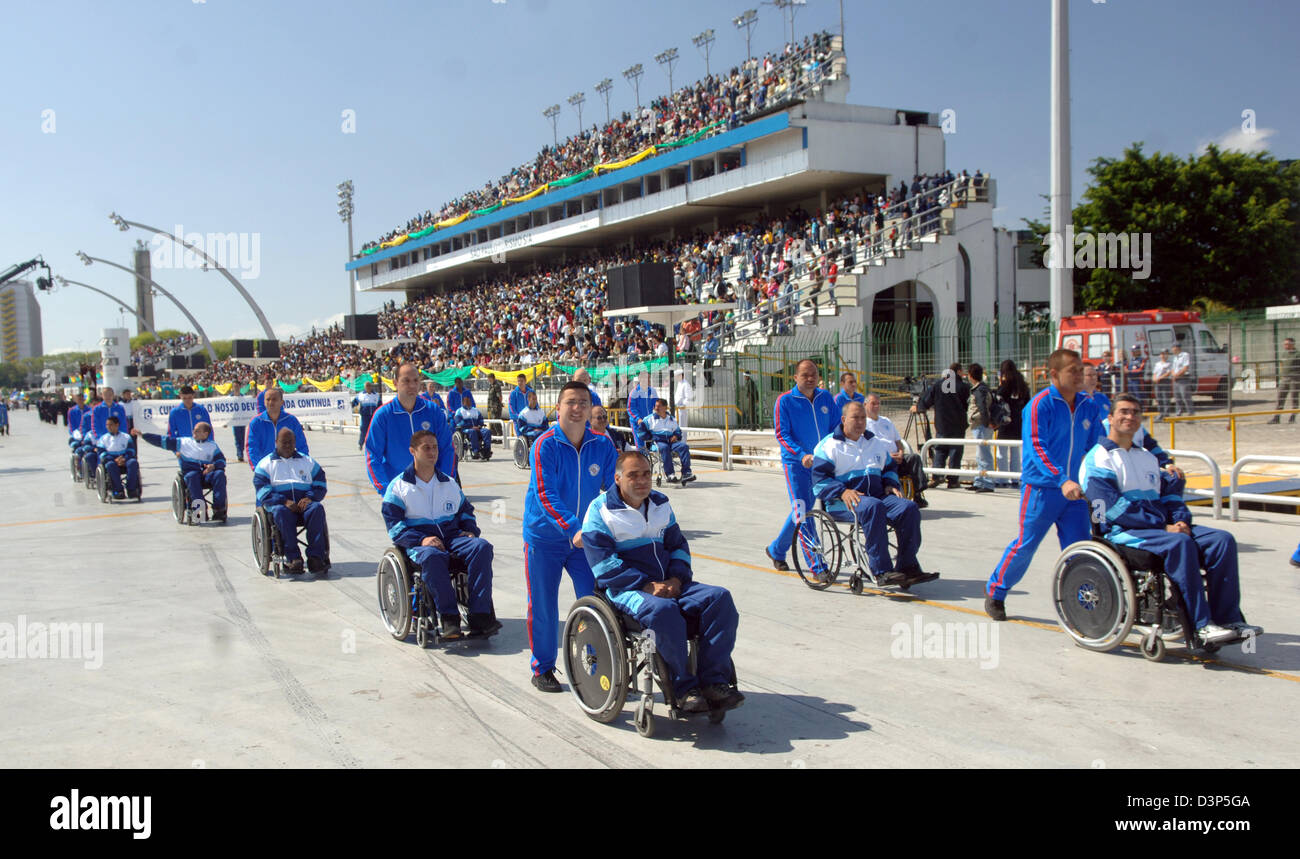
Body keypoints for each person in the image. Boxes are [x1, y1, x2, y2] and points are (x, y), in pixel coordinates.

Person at [1082, 393, 1262, 646]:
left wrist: (1180, 521)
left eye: (1135, 412)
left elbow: (1170, 497)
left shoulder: (1147, 457)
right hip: (1123, 532)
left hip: (1161, 528)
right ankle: (1201, 626)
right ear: (1110, 418)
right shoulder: (1098, 458)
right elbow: (1110, 509)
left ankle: (1229, 619)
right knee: (1179, 544)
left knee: (1222, 540)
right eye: (1123, 411)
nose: (1130, 416)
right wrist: (1163, 527)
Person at [581, 449, 743, 713]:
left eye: (646, 474)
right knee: (663, 610)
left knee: (719, 598)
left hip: (669, 582)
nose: (642, 480)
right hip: (625, 589)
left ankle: (714, 683)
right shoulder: (600, 510)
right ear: (618, 478)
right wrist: (647, 585)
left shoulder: (660, 503)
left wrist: (677, 579)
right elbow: (603, 564)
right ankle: (684, 688)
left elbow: (678, 545)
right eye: (634, 475)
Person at [985, 349, 1105, 620]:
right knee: (1026, 545)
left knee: (1080, 549)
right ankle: (996, 591)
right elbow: (1038, 448)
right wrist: (1061, 479)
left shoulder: (1089, 406)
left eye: (1080, 370)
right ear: (1054, 374)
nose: (1078, 376)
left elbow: (1097, 445)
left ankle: (1085, 605)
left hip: (1075, 493)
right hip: (1042, 490)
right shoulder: (1040, 405)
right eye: (1072, 370)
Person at [521, 381, 618, 692]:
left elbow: (614, 491)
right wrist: (574, 527)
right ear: (559, 408)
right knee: (543, 605)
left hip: (583, 542)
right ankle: (543, 667)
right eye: (571, 403)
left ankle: (596, 662)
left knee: (594, 601)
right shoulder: (545, 444)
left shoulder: (602, 445)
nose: (577, 409)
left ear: (590, 409)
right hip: (545, 539)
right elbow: (545, 493)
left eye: (583, 403)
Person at [382, 430, 500, 639]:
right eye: (426, 447)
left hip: (452, 537)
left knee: (482, 547)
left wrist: (470, 531)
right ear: (413, 451)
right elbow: (394, 527)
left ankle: (480, 615)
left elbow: (465, 512)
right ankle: (449, 618)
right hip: (419, 542)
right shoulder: (399, 487)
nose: (432, 452)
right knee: (433, 556)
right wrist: (422, 539)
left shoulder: (449, 483)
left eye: (435, 447)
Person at [811, 401, 934, 586]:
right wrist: (842, 491)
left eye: (863, 418)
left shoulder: (874, 442)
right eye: (855, 418)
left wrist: (891, 483)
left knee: (909, 508)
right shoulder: (828, 446)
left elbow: (890, 466)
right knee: (873, 507)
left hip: (877, 497)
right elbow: (819, 483)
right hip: (843, 502)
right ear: (844, 419)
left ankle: (907, 566)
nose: (860, 422)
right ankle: (881, 570)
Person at [765, 359, 841, 572]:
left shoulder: (825, 397)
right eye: (805, 375)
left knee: (800, 512)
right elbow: (783, 434)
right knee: (803, 511)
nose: (810, 379)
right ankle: (817, 565)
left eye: (814, 375)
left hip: (822, 465)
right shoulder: (785, 401)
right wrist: (801, 455)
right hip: (797, 466)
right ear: (795, 377)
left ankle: (776, 549)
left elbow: (836, 427)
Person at [365, 362, 456, 493]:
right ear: (395, 383)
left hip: (433, 491)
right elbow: (372, 455)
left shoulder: (433, 411)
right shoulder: (383, 416)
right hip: (399, 494)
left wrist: (444, 483)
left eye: (415, 380)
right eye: (406, 381)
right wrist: (386, 490)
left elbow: (447, 449)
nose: (412, 385)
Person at [253, 427, 329, 574]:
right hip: (281, 507)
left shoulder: (307, 461)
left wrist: (310, 497)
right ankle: (293, 558)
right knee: (281, 512)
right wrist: (283, 501)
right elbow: (262, 492)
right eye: (284, 442)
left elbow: (321, 483)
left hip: (303, 506)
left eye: (291, 442)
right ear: (276, 442)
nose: (287, 446)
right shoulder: (265, 465)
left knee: (317, 508)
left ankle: (316, 557)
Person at [134, 420, 227, 521]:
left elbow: (222, 460)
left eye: (197, 431)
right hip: (192, 472)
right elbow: (163, 441)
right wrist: (143, 435)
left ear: (205, 433)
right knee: (192, 476)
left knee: (220, 474)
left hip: (207, 474)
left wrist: (213, 466)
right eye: (194, 430)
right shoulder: (184, 442)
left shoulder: (212, 446)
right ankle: (200, 508)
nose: (193, 432)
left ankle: (219, 509)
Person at [863, 392, 928, 508]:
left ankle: (917, 494)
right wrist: (888, 457)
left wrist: (901, 453)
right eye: (873, 404)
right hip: (881, 460)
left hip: (897, 456)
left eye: (878, 404)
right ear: (865, 405)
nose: (876, 406)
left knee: (915, 458)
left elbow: (898, 441)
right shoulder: (864, 424)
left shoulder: (886, 421)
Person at [915, 363, 969, 488]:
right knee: (955, 452)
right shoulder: (963, 386)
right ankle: (953, 480)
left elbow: (926, 401)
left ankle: (936, 476)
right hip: (958, 425)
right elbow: (967, 405)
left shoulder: (938, 385)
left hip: (941, 424)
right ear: (959, 371)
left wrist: (918, 406)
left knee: (940, 450)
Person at [246, 386, 308, 473]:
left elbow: (302, 445)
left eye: (274, 399)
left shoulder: (291, 420)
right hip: (266, 470)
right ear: (264, 402)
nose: (271, 402)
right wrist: (257, 469)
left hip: (289, 469)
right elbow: (252, 448)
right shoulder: (256, 422)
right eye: (268, 399)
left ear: (282, 402)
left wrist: (302, 465)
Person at [640, 398, 695, 484]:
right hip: (657, 442)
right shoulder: (648, 419)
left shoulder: (671, 419)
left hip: (671, 442)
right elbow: (641, 433)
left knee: (684, 446)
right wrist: (652, 437)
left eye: (659, 406)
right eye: (655, 406)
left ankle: (686, 473)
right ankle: (670, 474)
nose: (656, 408)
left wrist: (676, 436)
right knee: (664, 448)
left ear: (665, 407)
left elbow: (678, 431)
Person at [995, 359, 1030, 488]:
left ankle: (1002, 479)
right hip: (1019, 420)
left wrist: (1000, 383)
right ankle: (1016, 478)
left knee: (1002, 451)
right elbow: (1027, 402)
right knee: (1015, 450)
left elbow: (998, 398)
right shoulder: (1022, 385)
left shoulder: (1005, 385)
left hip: (1006, 421)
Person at [966, 363, 997, 493]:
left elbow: (983, 409)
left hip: (981, 425)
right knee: (980, 454)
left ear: (971, 375)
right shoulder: (982, 388)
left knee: (984, 454)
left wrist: (985, 422)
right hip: (980, 425)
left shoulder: (979, 390)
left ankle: (988, 483)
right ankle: (979, 481)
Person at [94, 416, 139, 499]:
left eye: (110, 425)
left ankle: (131, 489)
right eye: (107, 425)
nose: (108, 427)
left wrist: (124, 458)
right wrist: (114, 460)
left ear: (117, 425)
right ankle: (118, 490)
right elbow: (101, 453)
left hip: (124, 459)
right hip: (111, 459)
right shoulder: (103, 439)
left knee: (133, 462)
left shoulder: (126, 437)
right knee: (110, 465)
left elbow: (131, 450)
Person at [1268, 337, 1298, 424]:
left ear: (1292, 344)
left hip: (1294, 380)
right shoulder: (1284, 354)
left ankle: (1293, 417)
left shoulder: (1297, 354)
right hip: (1284, 379)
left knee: (1294, 399)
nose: (1285, 346)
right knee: (1280, 398)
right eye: (1284, 344)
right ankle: (1276, 417)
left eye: (1287, 344)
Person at [625, 372, 658, 448]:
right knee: (640, 446)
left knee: (654, 445)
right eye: (645, 378)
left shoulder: (652, 391)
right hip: (638, 423)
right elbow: (630, 408)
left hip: (649, 422)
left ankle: (649, 458)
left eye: (648, 378)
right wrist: (638, 419)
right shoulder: (634, 392)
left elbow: (656, 405)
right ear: (640, 379)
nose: (647, 380)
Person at [353, 382, 381, 451]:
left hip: (373, 416)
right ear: (365, 387)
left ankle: (373, 445)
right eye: (367, 386)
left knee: (374, 430)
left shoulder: (376, 395)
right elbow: (354, 402)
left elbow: (380, 405)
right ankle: (360, 443)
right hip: (365, 416)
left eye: (369, 386)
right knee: (363, 430)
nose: (368, 388)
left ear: (371, 387)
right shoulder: (361, 395)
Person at [1169, 341, 1194, 417]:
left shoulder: (1185, 355)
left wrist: (1177, 375)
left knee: (1185, 396)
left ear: (1177, 347)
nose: (1172, 349)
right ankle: (1178, 413)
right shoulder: (1175, 357)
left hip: (1183, 378)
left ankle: (1191, 413)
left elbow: (1185, 367)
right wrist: (1173, 375)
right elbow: (1173, 368)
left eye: (1173, 348)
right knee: (1177, 397)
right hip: (1176, 379)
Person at [1150, 350, 1173, 419]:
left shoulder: (1170, 363)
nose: (1163, 355)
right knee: (1159, 398)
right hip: (1157, 382)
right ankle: (1160, 413)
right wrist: (1154, 378)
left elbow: (1168, 373)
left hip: (1165, 381)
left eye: (1165, 354)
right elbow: (1154, 373)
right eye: (1162, 354)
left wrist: (1160, 378)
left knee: (1165, 398)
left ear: (1168, 355)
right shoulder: (1157, 364)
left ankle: (1166, 414)